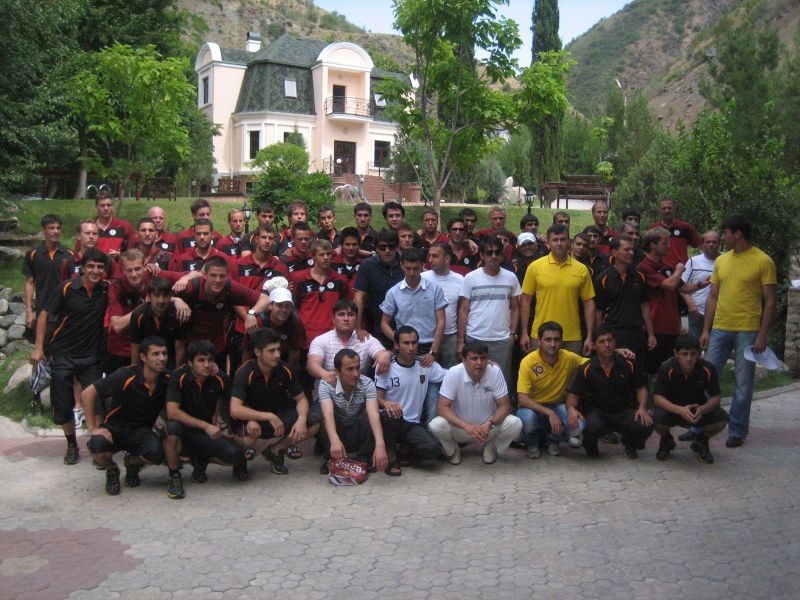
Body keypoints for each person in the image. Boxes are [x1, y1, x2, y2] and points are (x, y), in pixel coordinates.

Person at [700, 215, 776, 448]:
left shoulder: (763, 261)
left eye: (725, 233)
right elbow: (713, 297)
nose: (722, 238)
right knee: (705, 377)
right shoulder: (722, 261)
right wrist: (706, 330)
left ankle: (737, 431)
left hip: (747, 330)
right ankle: (699, 426)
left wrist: (762, 334)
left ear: (737, 234)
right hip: (720, 328)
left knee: (743, 384)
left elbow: (770, 300)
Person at [30, 248, 110, 466]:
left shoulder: (105, 289)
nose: (95, 271)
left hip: (91, 356)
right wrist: (38, 348)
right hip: (62, 354)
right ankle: (72, 444)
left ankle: (98, 445)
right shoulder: (66, 288)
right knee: (63, 403)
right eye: (91, 266)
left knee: (97, 401)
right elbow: (44, 314)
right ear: (82, 268)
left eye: (100, 267)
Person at [82, 336, 184, 498]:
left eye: (164, 353)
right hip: (114, 429)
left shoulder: (168, 379)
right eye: (156, 354)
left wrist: (213, 368)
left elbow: (189, 374)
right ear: (143, 357)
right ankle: (112, 470)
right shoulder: (125, 375)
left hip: (141, 431)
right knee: (98, 450)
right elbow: (88, 393)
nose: (162, 358)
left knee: (158, 454)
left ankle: (132, 463)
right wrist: (92, 428)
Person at [229, 327, 320, 475]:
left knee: (313, 423)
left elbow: (301, 399)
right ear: (258, 352)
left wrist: (302, 419)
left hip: (277, 418)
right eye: (271, 351)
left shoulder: (285, 369)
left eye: (278, 349)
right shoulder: (245, 372)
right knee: (250, 436)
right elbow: (235, 410)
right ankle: (239, 457)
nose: (277, 354)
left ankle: (275, 450)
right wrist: (265, 417)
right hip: (251, 420)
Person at [166, 339, 248, 482]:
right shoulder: (178, 376)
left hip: (206, 434)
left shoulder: (219, 377)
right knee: (171, 429)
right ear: (190, 362)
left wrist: (238, 427)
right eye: (201, 360)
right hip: (184, 431)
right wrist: (206, 425)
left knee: (236, 455)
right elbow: (172, 412)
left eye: (210, 360)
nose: (207, 365)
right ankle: (174, 475)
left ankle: (201, 460)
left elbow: (236, 403)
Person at [429, 342, 522, 465]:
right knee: (436, 425)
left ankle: (491, 447)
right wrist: (466, 426)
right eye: (474, 359)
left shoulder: (495, 371)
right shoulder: (454, 372)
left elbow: (505, 405)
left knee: (515, 423)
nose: (479, 363)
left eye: (483, 358)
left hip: (488, 429)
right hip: (461, 429)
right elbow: (442, 407)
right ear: (464, 360)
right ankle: (452, 450)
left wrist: (490, 423)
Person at [566, 327, 653, 459]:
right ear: (594, 345)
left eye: (610, 340)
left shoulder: (628, 364)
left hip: (624, 411)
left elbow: (641, 388)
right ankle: (590, 446)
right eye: (602, 341)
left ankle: (630, 444)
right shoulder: (587, 368)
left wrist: (642, 408)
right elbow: (573, 396)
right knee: (590, 425)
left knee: (646, 422)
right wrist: (571, 409)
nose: (607, 345)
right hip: (598, 412)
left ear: (615, 342)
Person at [175, 256, 269, 368]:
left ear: (227, 276)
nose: (218, 280)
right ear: (204, 275)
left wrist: (251, 313)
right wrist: (176, 300)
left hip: (217, 348)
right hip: (192, 348)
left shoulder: (230, 288)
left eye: (222, 276)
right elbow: (161, 289)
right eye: (213, 275)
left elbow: (265, 299)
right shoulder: (191, 287)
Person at [376, 327, 446, 473]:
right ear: (397, 345)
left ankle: (406, 453)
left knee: (433, 450)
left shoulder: (425, 365)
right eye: (406, 343)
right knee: (390, 415)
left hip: (413, 424)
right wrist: (386, 403)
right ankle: (391, 457)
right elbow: (376, 398)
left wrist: (483, 365)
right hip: (390, 420)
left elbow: (453, 374)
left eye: (414, 343)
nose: (411, 348)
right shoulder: (386, 366)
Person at [639, 227, 707, 374]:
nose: (669, 246)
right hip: (655, 327)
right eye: (665, 243)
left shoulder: (665, 266)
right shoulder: (645, 267)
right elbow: (669, 285)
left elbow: (684, 288)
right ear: (652, 245)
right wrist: (679, 270)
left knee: (670, 369)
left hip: (671, 326)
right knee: (651, 369)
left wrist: (701, 284)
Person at [520, 224, 595, 356]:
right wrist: (524, 333)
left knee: (572, 370)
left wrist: (589, 336)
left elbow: (589, 303)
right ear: (548, 242)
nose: (559, 243)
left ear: (569, 242)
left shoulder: (581, 269)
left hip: (572, 337)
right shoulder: (535, 267)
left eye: (563, 239)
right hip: (541, 336)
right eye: (555, 240)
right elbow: (525, 301)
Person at [516, 322, 589, 459]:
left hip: (556, 404)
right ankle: (532, 444)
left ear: (561, 341)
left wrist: (615, 352)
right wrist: (550, 413)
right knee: (528, 419)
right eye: (548, 340)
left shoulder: (568, 357)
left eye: (556, 339)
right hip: (532, 406)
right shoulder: (527, 362)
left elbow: (592, 363)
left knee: (578, 425)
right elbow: (522, 399)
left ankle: (553, 440)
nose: (553, 344)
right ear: (539, 341)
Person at [653, 334, 730, 463]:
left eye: (693, 354)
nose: (689, 359)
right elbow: (657, 398)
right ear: (676, 353)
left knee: (722, 418)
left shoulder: (708, 368)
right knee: (655, 418)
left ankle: (701, 441)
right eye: (684, 354)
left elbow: (716, 398)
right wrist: (680, 410)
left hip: (697, 411)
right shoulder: (666, 368)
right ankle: (666, 440)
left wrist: (703, 409)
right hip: (673, 410)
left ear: (698, 353)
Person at [457, 236, 521, 388]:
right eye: (489, 252)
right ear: (482, 255)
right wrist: (461, 340)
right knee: (474, 380)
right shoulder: (471, 278)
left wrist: (512, 333)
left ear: (502, 255)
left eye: (497, 252)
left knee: (501, 380)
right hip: (475, 336)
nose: (493, 256)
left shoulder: (511, 277)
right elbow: (463, 309)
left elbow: (515, 307)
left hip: (502, 339)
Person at [318, 348, 391, 474]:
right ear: (337, 372)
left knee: (370, 414)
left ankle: (364, 458)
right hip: (338, 432)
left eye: (357, 368)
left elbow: (373, 414)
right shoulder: (326, 384)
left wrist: (380, 445)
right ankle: (331, 458)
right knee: (324, 417)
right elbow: (327, 414)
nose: (356, 374)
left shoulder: (367, 383)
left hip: (359, 430)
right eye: (350, 369)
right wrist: (334, 441)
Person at [594, 236, 657, 362]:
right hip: (613, 333)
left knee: (637, 367)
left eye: (632, 250)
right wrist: (599, 336)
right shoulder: (603, 279)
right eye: (626, 249)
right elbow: (598, 310)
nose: (631, 253)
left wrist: (651, 334)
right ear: (614, 252)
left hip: (636, 332)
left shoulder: (639, 277)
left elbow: (645, 306)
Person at [307, 300, 391, 391]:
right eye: (341, 314)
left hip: (358, 394)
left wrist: (387, 354)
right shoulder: (321, 340)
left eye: (351, 315)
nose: (346, 318)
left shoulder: (366, 339)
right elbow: (312, 364)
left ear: (356, 319)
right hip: (327, 393)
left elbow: (383, 354)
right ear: (333, 319)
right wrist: (325, 374)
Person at [380, 247, 446, 362]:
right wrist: (397, 340)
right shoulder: (393, 292)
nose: (411, 273)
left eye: (415, 268)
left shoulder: (435, 289)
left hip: (429, 345)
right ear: (401, 265)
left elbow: (441, 321)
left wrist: (433, 351)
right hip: (404, 346)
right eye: (408, 268)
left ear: (422, 265)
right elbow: (384, 323)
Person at [290, 239, 351, 343]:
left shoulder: (341, 280)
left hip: (333, 338)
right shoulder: (299, 279)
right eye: (321, 254)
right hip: (306, 338)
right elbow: (293, 306)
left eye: (328, 254)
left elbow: (348, 307)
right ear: (313, 256)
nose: (326, 257)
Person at [24, 214, 74, 333]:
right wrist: (29, 311)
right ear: (44, 230)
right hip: (42, 307)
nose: (56, 231)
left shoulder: (69, 254)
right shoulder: (33, 254)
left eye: (58, 228)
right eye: (52, 228)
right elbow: (29, 283)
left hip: (63, 308)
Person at [354, 229, 404, 345]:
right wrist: (358, 328)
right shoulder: (367, 265)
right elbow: (359, 298)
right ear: (376, 248)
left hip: (405, 326)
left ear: (397, 247)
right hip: (377, 327)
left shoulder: (405, 264)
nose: (387, 250)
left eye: (391, 247)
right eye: (382, 247)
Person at [129, 277, 188, 368]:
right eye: (156, 296)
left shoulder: (179, 314)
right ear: (149, 296)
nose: (161, 300)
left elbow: (180, 348)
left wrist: (178, 374)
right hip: (147, 359)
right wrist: (134, 372)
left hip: (170, 358)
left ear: (170, 296)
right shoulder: (138, 315)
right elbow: (135, 348)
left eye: (165, 296)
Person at [421, 242, 464, 368]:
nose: (430, 260)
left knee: (451, 372)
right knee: (426, 373)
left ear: (447, 258)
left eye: (435, 256)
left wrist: (460, 340)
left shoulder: (460, 280)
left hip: (450, 337)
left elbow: (463, 310)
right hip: (426, 337)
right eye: (429, 256)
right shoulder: (421, 278)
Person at [681, 231, 720, 339]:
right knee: (694, 345)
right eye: (708, 242)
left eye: (714, 242)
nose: (711, 244)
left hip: (719, 316)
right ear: (702, 244)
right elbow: (682, 286)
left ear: (719, 244)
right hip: (697, 313)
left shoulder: (725, 262)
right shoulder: (693, 261)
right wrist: (690, 304)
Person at [648, 197, 701, 270]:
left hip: (682, 270)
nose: (667, 211)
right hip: (660, 270)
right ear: (660, 211)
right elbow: (648, 251)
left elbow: (698, 245)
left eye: (669, 208)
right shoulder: (654, 228)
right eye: (664, 208)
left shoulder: (685, 227)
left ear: (674, 209)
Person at [91, 191, 135, 258]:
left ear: (113, 206)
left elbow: (134, 251)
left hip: (117, 264)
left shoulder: (125, 226)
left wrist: (120, 255)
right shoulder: (89, 227)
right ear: (96, 206)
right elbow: (80, 251)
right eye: (102, 206)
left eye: (109, 205)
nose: (106, 208)